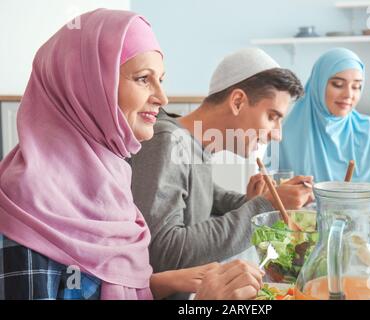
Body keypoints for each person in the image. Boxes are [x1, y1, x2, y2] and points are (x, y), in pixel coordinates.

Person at [0, 9, 262, 300]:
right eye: (142, 79)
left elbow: (97, 287)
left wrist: (160, 283)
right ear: (87, 85)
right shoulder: (25, 204)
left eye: (161, 79)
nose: (162, 98)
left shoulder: (113, 176)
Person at [130, 47, 314, 280]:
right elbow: (162, 251)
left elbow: (209, 196)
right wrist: (264, 206)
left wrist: (263, 200)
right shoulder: (168, 143)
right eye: (272, 117)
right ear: (237, 101)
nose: (277, 135)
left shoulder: (192, 144)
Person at [264, 48, 370, 203]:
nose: (349, 95)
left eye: (356, 86)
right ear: (318, 85)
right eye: (337, 84)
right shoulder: (282, 133)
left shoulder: (369, 131)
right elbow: (264, 195)